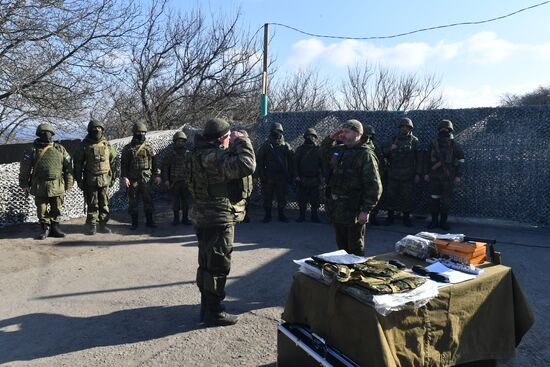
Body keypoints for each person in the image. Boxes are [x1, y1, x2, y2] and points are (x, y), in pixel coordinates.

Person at [188, 118, 255, 326]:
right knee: (218, 265)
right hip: (218, 217)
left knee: (207, 264)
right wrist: (243, 141)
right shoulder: (215, 157)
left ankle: (206, 308)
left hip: (203, 216)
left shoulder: (197, 154)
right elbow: (247, 165)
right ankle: (214, 312)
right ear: (220, 138)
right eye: (227, 137)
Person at [320, 119, 382, 256]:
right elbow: (323, 153)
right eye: (343, 132)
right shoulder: (340, 150)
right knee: (341, 247)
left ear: (358, 134)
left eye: (347, 132)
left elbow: (374, 186)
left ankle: (356, 274)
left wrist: (366, 210)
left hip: (353, 208)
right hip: (337, 207)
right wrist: (331, 138)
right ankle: (344, 272)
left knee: (355, 247)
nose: (343, 135)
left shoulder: (365, 155)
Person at [19, 123, 74, 240]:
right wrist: (24, 184)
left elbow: (68, 167)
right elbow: (25, 168)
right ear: (39, 134)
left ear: (52, 134)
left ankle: (55, 227)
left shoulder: (60, 149)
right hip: (40, 185)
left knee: (57, 207)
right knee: (41, 209)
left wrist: (69, 182)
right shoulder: (32, 149)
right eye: (43, 133)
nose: (47, 135)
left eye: (49, 133)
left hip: (57, 184)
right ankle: (45, 228)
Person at [73, 118, 117, 235]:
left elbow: (113, 162)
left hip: (105, 179)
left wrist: (113, 177)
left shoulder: (107, 145)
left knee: (104, 203)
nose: (96, 130)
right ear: (89, 130)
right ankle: (92, 225)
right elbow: (77, 164)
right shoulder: (84, 145)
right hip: (90, 179)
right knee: (92, 203)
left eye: (99, 128)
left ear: (102, 130)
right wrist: (79, 180)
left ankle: (103, 225)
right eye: (94, 128)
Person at [424, 119, 465, 231]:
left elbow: (461, 161)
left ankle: (443, 222)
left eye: (446, 129)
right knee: (434, 199)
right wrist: (426, 173)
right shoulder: (433, 144)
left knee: (446, 201)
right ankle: (434, 221)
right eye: (442, 129)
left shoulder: (454, 145)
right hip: (434, 177)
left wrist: (458, 176)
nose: (444, 131)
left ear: (450, 131)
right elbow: (426, 160)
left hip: (448, 178)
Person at [120, 121, 161, 230]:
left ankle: (150, 221)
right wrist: (125, 177)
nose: (141, 134)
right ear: (134, 133)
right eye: (139, 132)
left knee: (149, 200)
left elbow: (155, 162)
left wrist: (157, 175)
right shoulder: (128, 148)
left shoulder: (149, 147)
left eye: (143, 132)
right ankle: (134, 223)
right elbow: (123, 165)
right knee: (133, 201)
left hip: (146, 179)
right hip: (133, 180)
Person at [382, 117, 422, 227]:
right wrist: (391, 148)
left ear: (410, 128)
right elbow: (383, 153)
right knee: (390, 196)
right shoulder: (393, 139)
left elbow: (419, 159)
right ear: (400, 128)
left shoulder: (414, 141)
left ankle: (406, 218)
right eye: (403, 126)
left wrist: (418, 173)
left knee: (407, 197)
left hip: (408, 174)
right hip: (393, 173)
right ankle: (390, 217)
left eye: (407, 127)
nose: (404, 128)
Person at [256, 122, 294, 223]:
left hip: (281, 176)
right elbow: (260, 160)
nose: (276, 133)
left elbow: (291, 160)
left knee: (282, 197)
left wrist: (290, 174)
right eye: (275, 131)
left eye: (279, 131)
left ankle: (281, 215)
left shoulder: (285, 145)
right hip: (269, 175)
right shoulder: (266, 145)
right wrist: (262, 175)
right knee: (267, 196)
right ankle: (267, 215)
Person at [162, 131, 192, 225]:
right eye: (178, 141)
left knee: (186, 200)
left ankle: (185, 218)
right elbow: (165, 167)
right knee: (175, 201)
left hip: (186, 181)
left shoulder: (189, 153)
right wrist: (166, 180)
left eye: (182, 141)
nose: (180, 143)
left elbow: (193, 167)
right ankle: (176, 219)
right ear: (175, 142)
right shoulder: (170, 154)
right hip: (174, 181)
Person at [294, 128, 323, 223]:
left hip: (315, 179)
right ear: (305, 137)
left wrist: (322, 176)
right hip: (303, 178)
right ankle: (301, 216)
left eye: (312, 136)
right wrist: (297, 175)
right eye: (309, 136)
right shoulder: (300, 149)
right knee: (302, 200)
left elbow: (322, 164)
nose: (310, 138)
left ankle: (314, 216)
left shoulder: (318, 150)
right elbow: (295, 164)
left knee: (315, 200)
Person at [362, 124, 386, 226]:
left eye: (370, 136)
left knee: (374, 197)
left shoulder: (375, 147)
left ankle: (373, 217)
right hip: (362, 177)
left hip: (374, 175)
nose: (369, 138)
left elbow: (381, 162)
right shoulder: (360, 147)